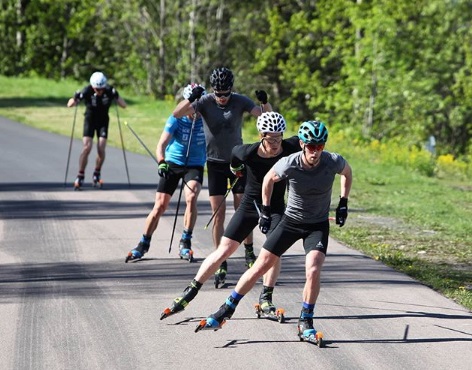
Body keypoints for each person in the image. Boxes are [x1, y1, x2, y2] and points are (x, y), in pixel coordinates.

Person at [198, 121, 353, 343]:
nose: (315, 151)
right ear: (302, 144)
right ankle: (225, 311)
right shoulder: (289, 163)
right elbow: (268, 179)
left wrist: (343, 203)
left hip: (317, 224)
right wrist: (266, 210)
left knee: (313, 270)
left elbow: (347, 173)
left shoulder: (332, 161)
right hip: (291, 222)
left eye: (320, 146)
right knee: (260, 266)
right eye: (311, 146)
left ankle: (306, 322)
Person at [160, 112, 301, 319]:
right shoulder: (246, 152)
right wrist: (237, 171)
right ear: (262, 135)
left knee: (274, 251)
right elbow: (234, 162)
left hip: (275, 207)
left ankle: (266, 299)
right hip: (250, 206)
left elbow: (310, 142)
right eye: (271, 138)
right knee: (224, 249)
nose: (276, 143)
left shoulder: (290, 146)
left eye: (279, 137)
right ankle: (190, 292)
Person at [173, 67, 272, 281]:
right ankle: (220, 261)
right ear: (213, 90)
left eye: (226, 94)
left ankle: (248, 252)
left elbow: (266, 118)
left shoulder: (239, 100)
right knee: (218, 216)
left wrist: (264, 102)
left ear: (231, 90)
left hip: (238, 162)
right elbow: (177, 113)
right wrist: (191, 98)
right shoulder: (205, 101)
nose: (222, 98)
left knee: (242, 210)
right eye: (218, 94)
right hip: (215, 164)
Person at [125, 84, 207, 263]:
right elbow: (161, 145)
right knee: (160, 205)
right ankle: (143, 244)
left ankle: (186, 241)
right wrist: (162, 162)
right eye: (192, 106)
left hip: (194, 164)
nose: (195, 110)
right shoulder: (176, 118)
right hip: (172, 162)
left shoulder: (207, 119)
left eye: (199, 106)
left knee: (191, 196)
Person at [67, 71, 127, 189]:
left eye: (101, 89)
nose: (99, 92)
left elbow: (123, 105)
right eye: (97, 89)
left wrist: (116, 95)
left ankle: (96, 173)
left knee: (101, 148)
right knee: (87, 147)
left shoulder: (109, 90)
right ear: (93, 87)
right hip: (90, 120)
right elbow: (69, 105)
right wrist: (75, 97)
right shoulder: (87, 90)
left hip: (103, 121)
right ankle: (80, 175)